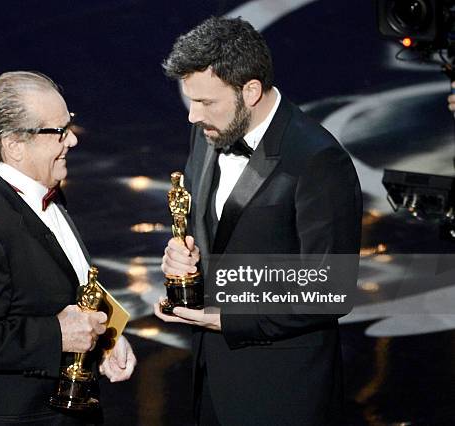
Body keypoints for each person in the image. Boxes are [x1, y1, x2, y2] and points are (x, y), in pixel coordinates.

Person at [154, 17, 362, 426]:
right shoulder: (209, 131)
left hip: (282, 391)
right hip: (210, 379)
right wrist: (180, 260)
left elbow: (331, 288)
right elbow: (207, 231)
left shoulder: (317, 160)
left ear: (250, 90)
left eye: (206, 102)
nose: (192, 116)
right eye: (190, 100)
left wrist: (228, 317)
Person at [0, 71, 136, 425]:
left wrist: (103, 336)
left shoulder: (43, 194)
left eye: (69, 125)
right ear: (14, 145)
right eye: (58, 132)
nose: (72, 140)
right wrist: (58, 335)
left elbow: (61, 286)